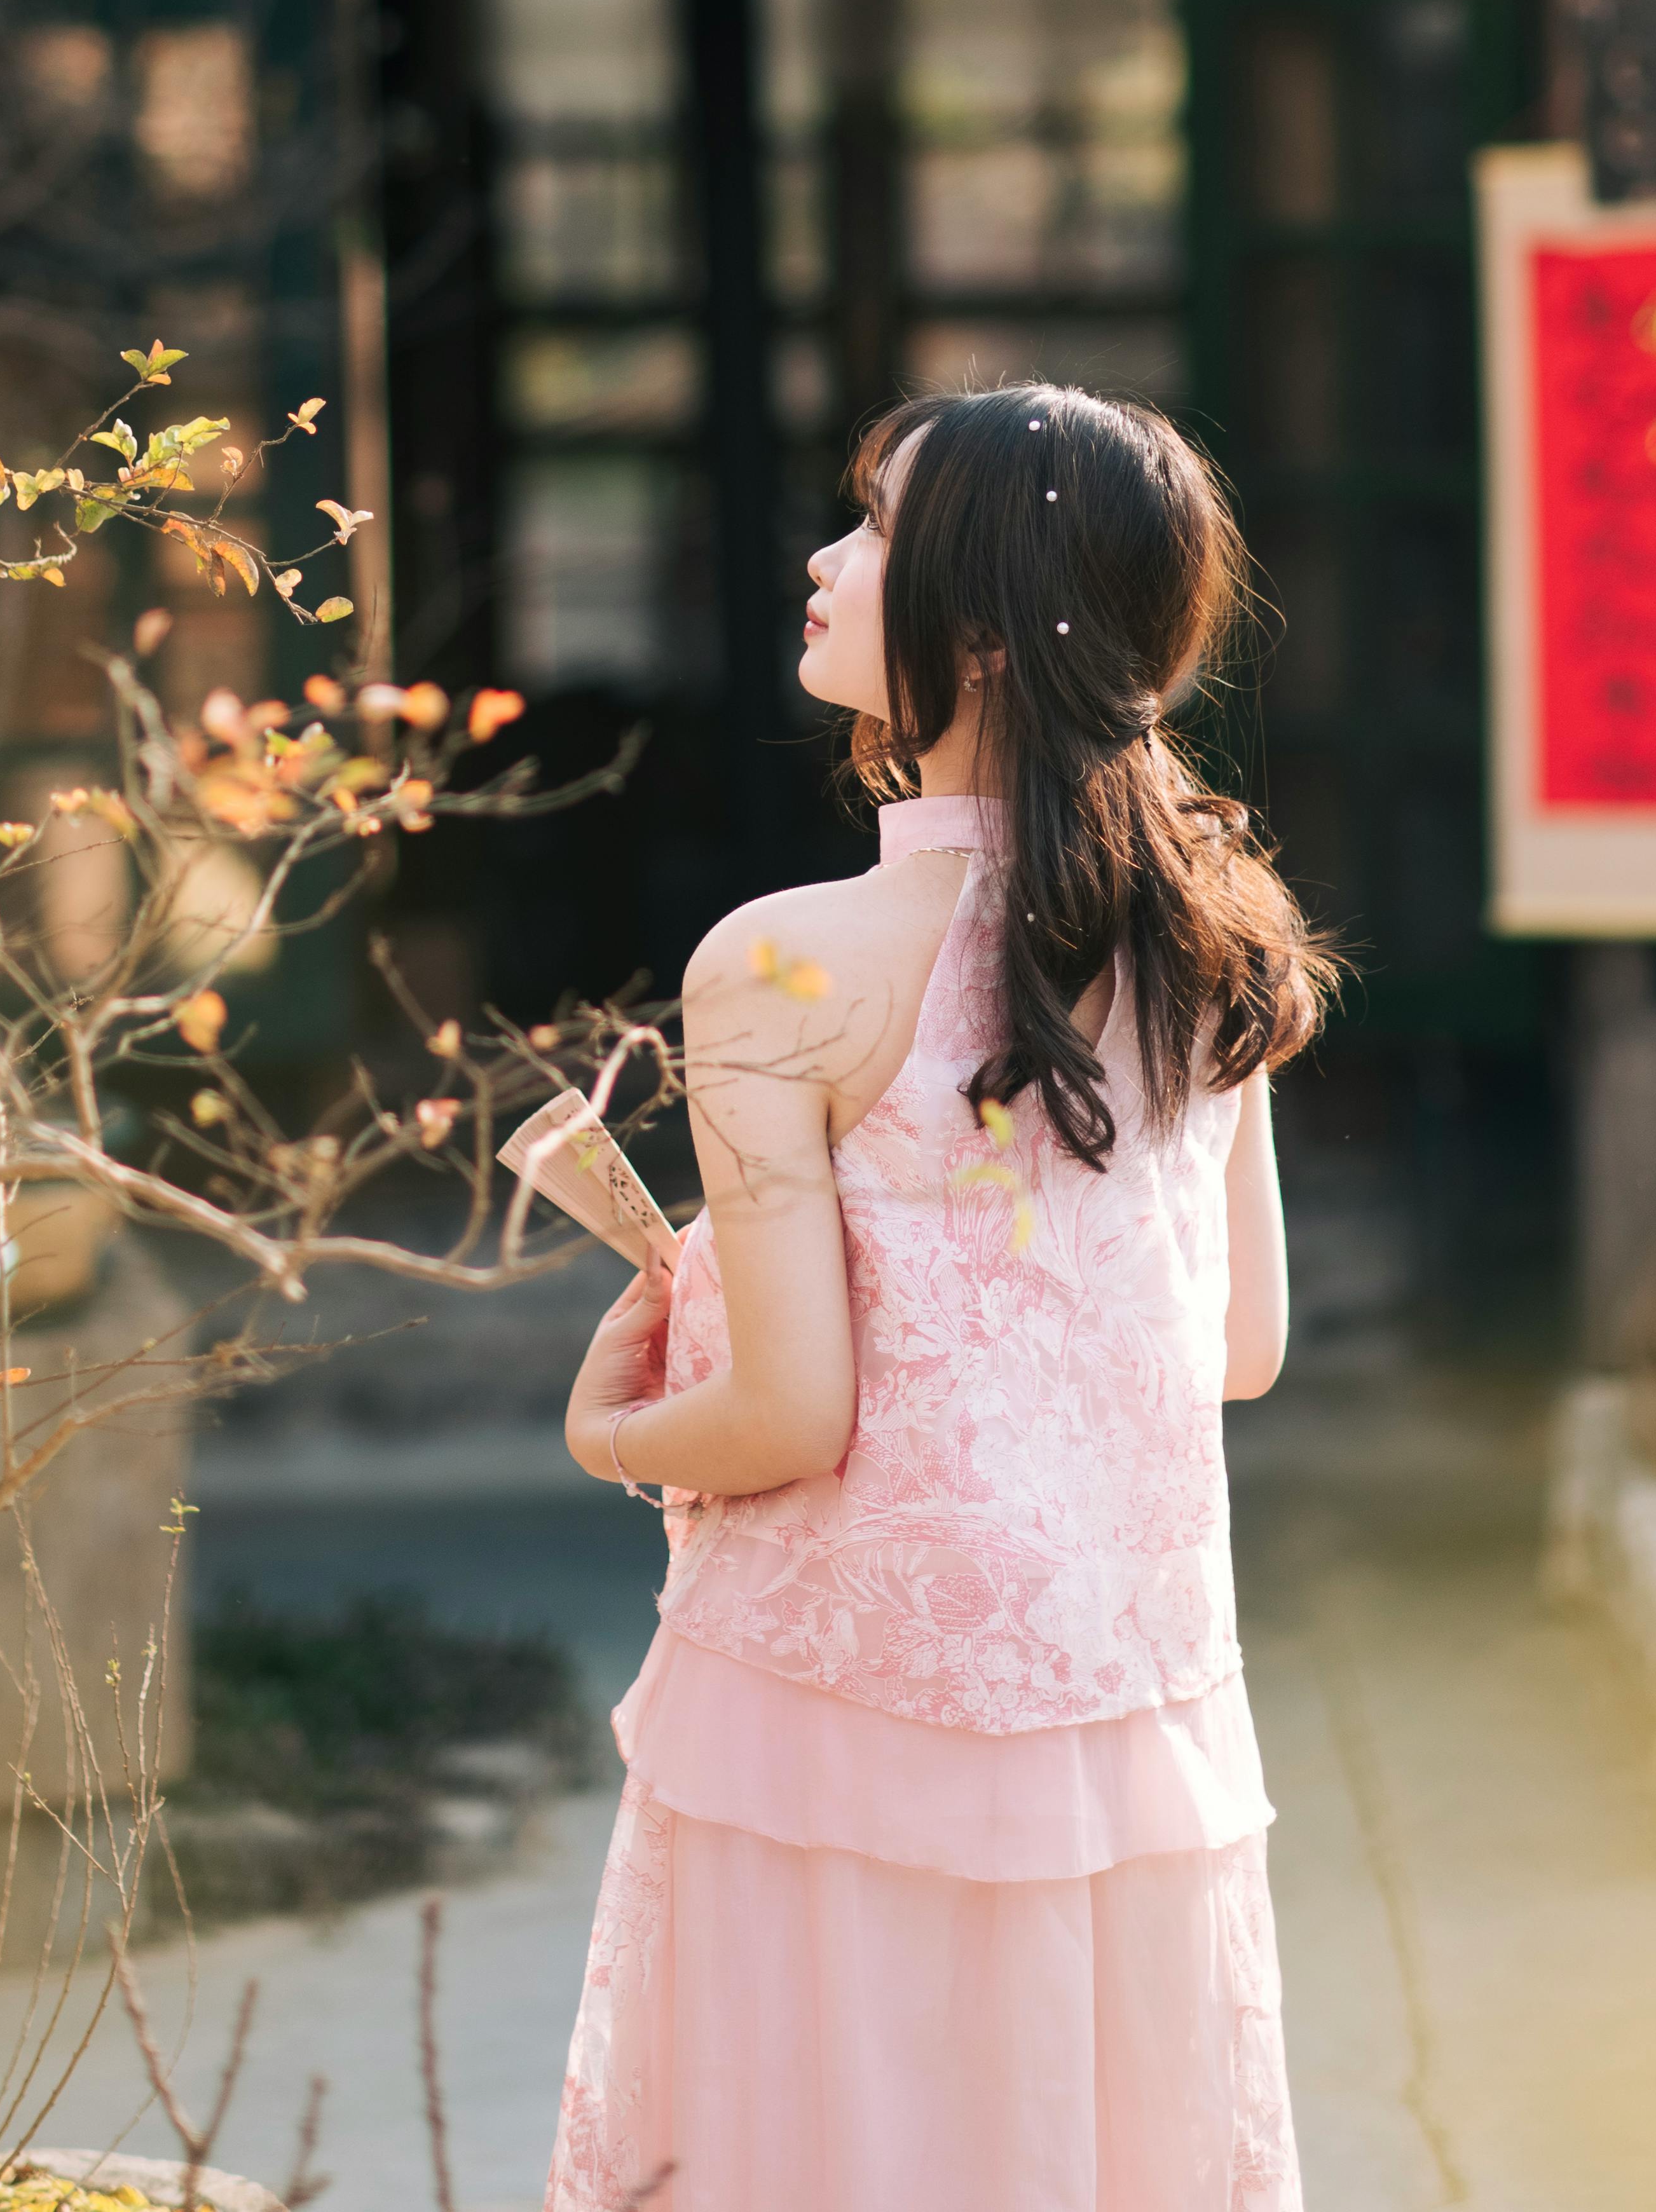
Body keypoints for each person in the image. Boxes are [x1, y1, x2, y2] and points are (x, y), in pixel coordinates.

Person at [545, 382, 1330, 2211]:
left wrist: (608, 1428)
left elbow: (789, 1418)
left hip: (828, 1719)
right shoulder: (1213, 933)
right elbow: (1242, 1342)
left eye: (874, 527)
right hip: (1128, 1717)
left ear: (980, 626)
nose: (824, 562)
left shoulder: (782, 961)